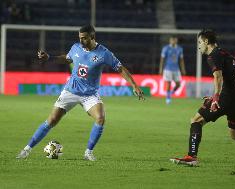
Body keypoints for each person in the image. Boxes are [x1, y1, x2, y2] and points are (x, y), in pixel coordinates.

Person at [16, 25, 145, 161]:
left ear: (92, 37)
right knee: (52, 120)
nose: (81, 41)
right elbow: (67, 58)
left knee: (100, 118)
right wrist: (50, 57)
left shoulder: (104, 53)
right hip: (70, 91)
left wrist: (134, 85)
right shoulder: (76, 47)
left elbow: (120, 69)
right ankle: (26, 150)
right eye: (80, 38)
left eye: (84, 38)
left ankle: (88, 152)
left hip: (90, 94)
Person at [170, 29, 235, 167]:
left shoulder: (213, 55)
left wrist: (216, 97)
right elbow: (232, 77)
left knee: (196, 120)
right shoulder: (224, 53)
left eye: (199, 42)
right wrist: (219, 94)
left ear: (206, 42)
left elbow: (218, 76)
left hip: (228, 97)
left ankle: (192, 156)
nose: (198, 46)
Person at [159, 36, 186, 104]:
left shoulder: (180, 49)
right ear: (170, 41)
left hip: (176, 69)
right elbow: (162, 59)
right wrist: (161, 69)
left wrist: (183, 69)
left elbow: (181, 60)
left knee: (178, 85)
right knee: (168, 83)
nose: (173, 41)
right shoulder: (166, 48)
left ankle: (170, 93)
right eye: (172, 40)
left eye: (174, 40)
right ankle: (168, 98)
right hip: (168, 69)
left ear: (176, 40)